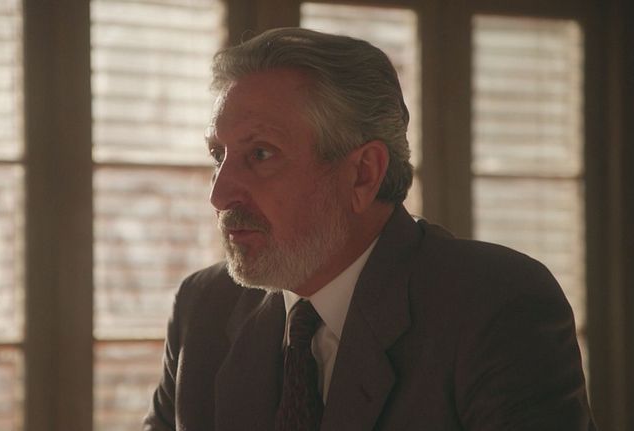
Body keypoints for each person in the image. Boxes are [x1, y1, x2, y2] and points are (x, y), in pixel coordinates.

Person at [144, 28, 595, 430]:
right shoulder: (203, 306)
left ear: (363, 174)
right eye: (218, 156)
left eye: (260, 154)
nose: (219, 195)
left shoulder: (496, 305)